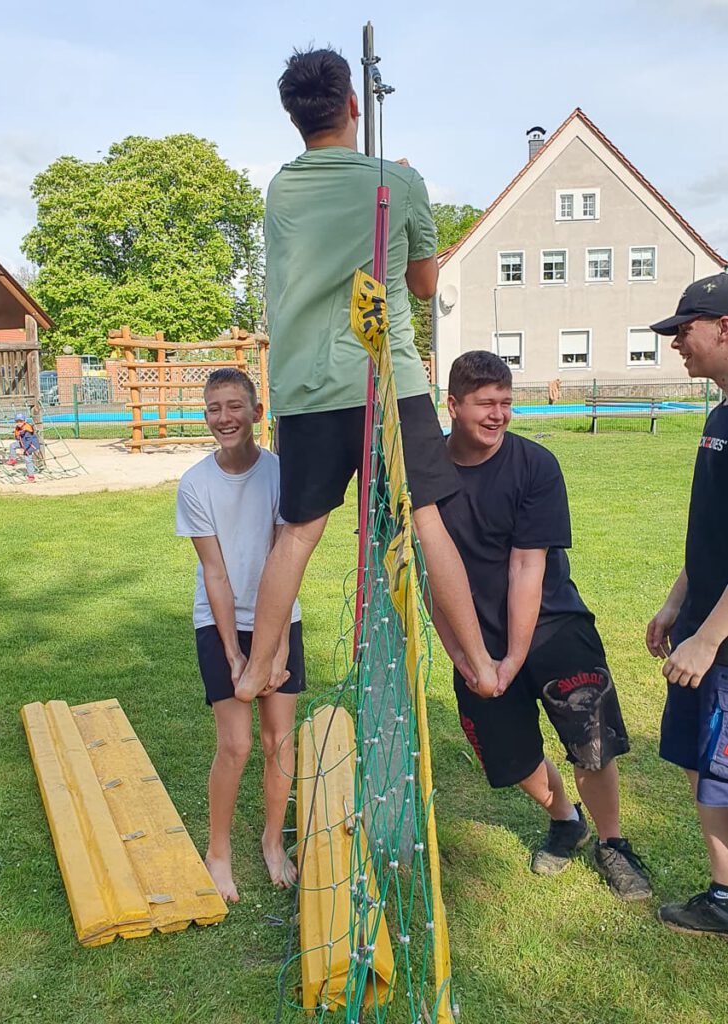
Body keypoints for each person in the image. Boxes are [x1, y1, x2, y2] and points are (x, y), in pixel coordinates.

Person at [234, 47, 496, 702]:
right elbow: (424, 281)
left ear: (294, 117)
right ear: (354, 106)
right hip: (387, 384)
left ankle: (257, 667)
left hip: (306, 389)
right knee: (427, 520)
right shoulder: (398, 182)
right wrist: (401, 191)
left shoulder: (280, 187)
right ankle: (478, 662)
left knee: (296, 532)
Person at [438, 350, 651, 900]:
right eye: (486, 403)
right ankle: (565, 819)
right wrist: (463, 657)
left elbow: (528, 566)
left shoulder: (535, 465)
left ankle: (612, 842)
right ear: (453, 404)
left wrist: (511, 659)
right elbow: (428, 572)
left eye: (506, 403)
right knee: (510, 757)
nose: (498, 415)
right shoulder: (428, 475)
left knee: (591, 741)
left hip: (555, 625)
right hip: (476, 638)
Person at [175, 368, 305, 902]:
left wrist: (271, 648)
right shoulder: (195, 484)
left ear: (256, 411)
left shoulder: (281, 474)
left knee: (279, 739)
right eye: (213, 408)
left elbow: (283, 556)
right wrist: (233, 651)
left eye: (234, 406)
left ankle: (273, 841)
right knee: (236, 743)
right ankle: (219, 851)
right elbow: (216, 574)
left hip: (280, 618)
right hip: (219, 620)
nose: (224, 417)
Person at [646, 273, 728, 935]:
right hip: (703, 626)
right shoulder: (718, 416)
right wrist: (678, 604)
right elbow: (712, 529)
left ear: (724, 326)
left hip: (721, 643)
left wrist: (709, 637)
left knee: (722, 772)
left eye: (683, 329)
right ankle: (722, 894)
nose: (675, 343)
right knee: (705, 769)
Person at [7, 412, 41, 482]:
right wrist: (17, 435)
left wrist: (24, 450)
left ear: (24, 421)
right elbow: (18, 438)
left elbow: (28, 441)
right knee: (12, 445)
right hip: (23, 443)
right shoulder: (18, 428)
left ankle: (31, 476)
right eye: (17, 421)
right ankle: (13, 459)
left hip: (31, 446)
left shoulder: (27, 429)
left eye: (21, 421)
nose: (19, 423)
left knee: (28, 460)